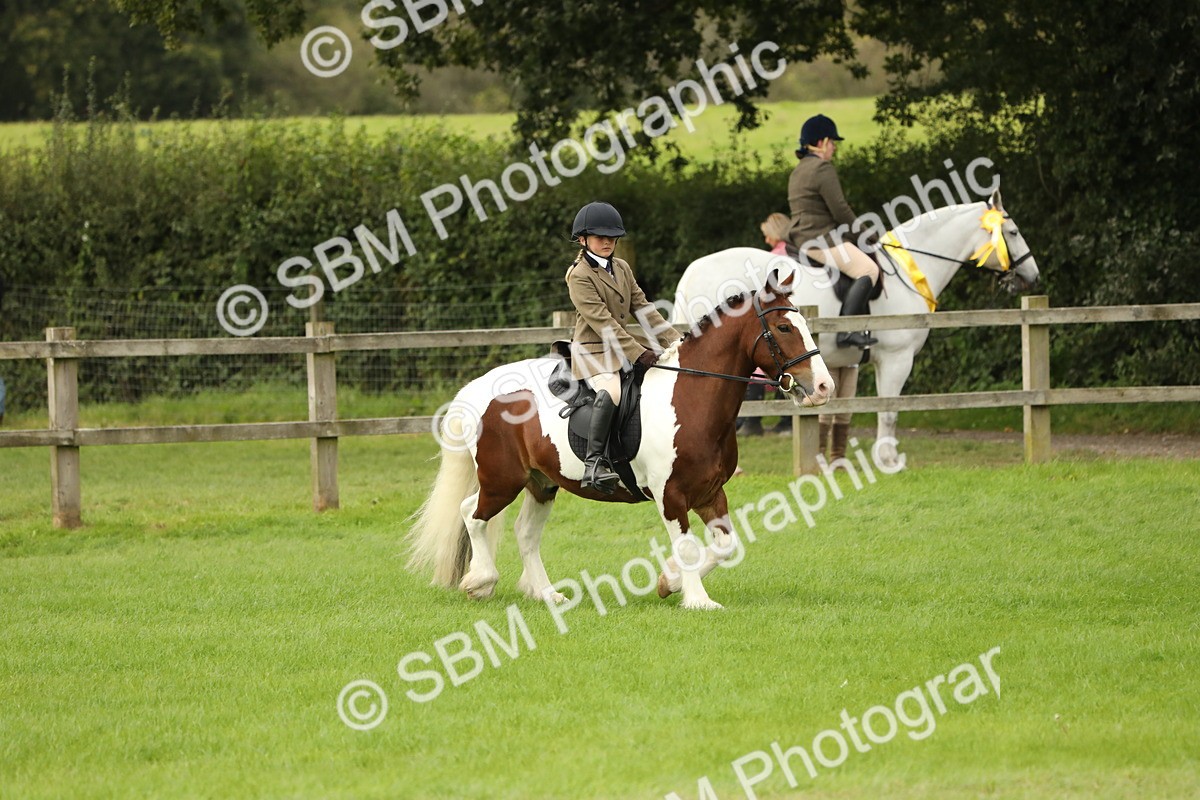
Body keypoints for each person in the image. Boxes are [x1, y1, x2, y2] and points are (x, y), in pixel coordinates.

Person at [566, 201, 682, 493]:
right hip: (593, 352)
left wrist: (676, 341)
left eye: (612, 236)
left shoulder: (621, 267)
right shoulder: (579, 275)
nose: (607, 242)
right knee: (613, 391)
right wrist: (637, 352)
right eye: (599, 237)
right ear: (583, 239)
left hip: (622, 348)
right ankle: (594, 463)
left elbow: (643, 309)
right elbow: (602, 321)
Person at [787, 113, 880, 348]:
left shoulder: (799, 169)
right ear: (821, 142)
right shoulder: (822, 168)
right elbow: (840, 212)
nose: (835, 148)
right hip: (820, 239)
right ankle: (845, 330)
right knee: (869, 269)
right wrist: (866, 235)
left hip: (800, 237)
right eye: (832, 142)